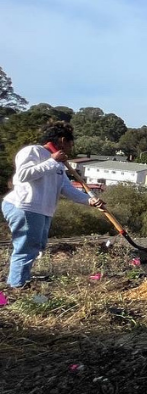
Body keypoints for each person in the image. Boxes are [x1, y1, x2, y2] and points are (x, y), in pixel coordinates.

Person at [3, 120, 105, 289]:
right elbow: (23, 175)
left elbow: (65, 187)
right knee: (27, 247)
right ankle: (15, 287)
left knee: (37, 246)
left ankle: (20, 280)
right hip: (24, 206)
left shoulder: (60, 164)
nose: (72, 148)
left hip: (41, 210)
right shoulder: (33, 151)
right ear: (63, 141)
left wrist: (89, 200)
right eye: (71, 144)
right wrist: (51, 160)